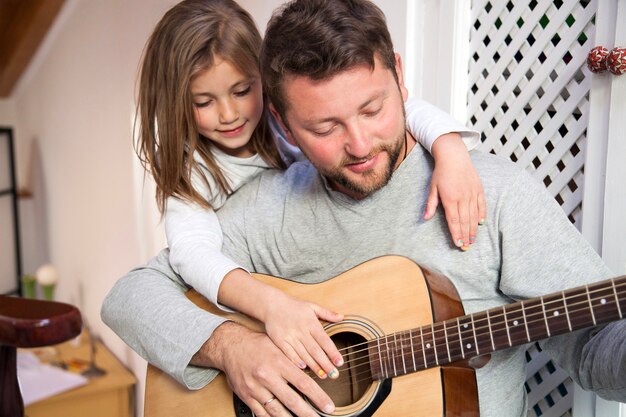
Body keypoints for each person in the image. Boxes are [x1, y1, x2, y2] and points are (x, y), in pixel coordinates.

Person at [102, 0, 626, 416]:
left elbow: (592, 344)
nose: (359, 144)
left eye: (372, 109)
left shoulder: (494, 193)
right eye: (325, 128)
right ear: (283, 125)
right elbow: (130, 297)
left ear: (399, 76)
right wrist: (232, 348)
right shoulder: (268, 208)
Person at [133, 0, 484, 381]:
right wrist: (269, 309)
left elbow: (397, 106)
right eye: (204, 102)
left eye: (242, 90)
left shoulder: (285, 121)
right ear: (176, 105)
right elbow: (190, 255)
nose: (229, 114)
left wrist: (450, 151)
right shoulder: (193, 177)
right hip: (255, 309)